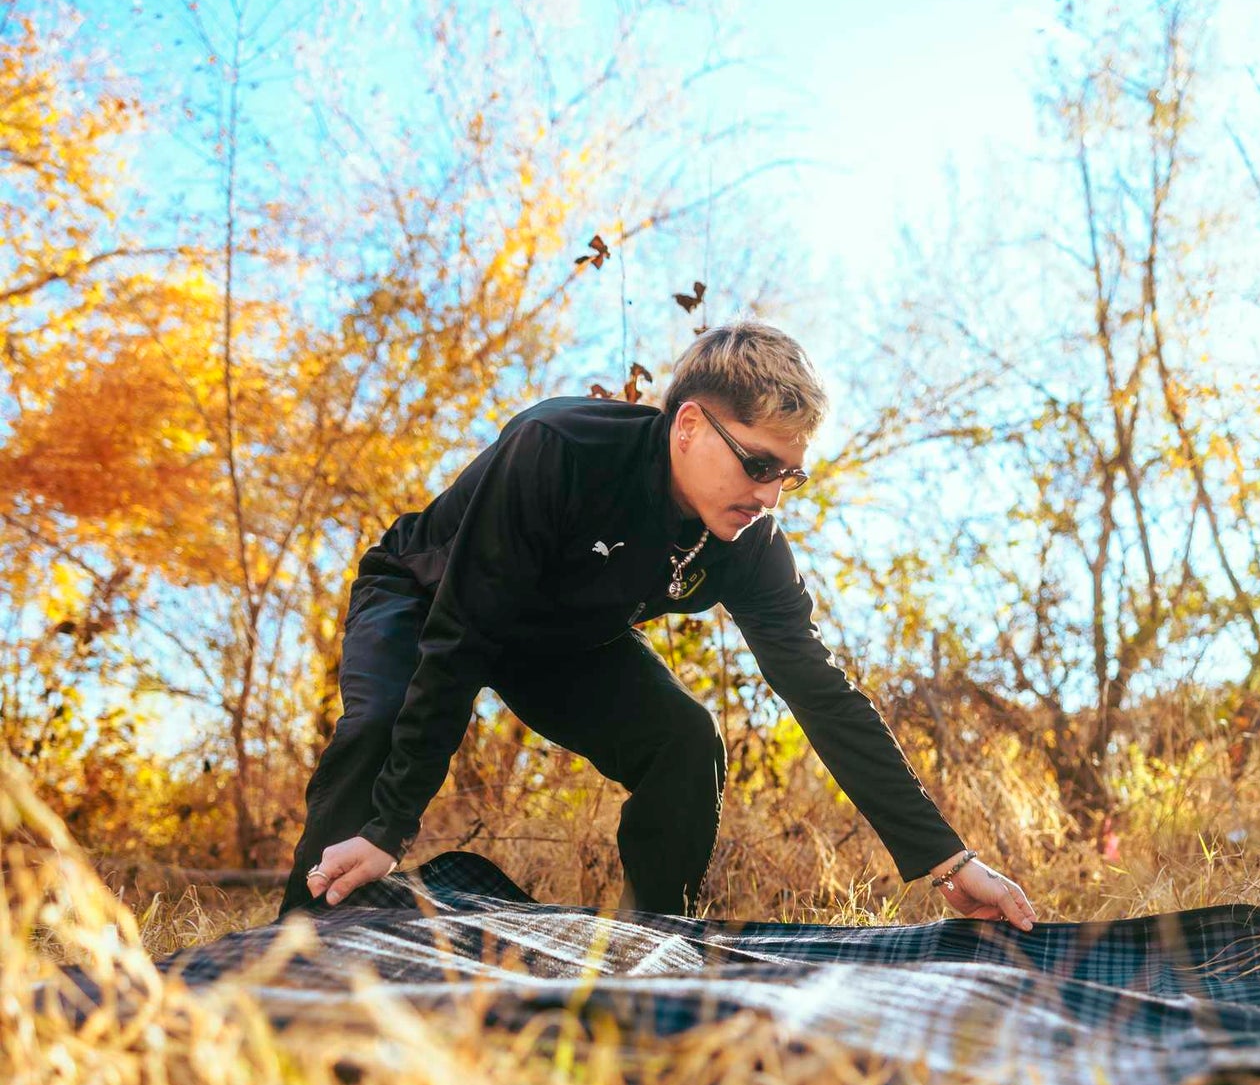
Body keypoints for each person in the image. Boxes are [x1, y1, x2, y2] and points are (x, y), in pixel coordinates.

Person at [280, 323, 1036, 931]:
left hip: (564, 641)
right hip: (431, 594)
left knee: (686, 743)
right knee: (380, 723)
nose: (770, 497)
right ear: (689, 427)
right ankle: (302, 940)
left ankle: (654, 943)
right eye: (758, 465)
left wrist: (945, 859)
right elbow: (460, 639)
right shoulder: (560, 450)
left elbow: (822, 693)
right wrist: (389, 827)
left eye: (788, 475)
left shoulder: (750, 544)